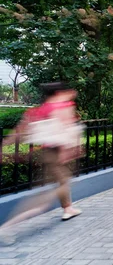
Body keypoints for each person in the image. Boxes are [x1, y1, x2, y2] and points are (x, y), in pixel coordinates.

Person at [0, 82, 83, 244]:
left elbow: (20, 131)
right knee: (42, 202)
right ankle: (5, 228)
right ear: (59, 93)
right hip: (56, 156)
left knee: (60, 185)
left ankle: (68, 208)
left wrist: (3, 146)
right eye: (67, 91)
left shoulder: (39, 110)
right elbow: (69, 130)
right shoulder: (63, 106)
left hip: (46, 154)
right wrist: (69, 152)